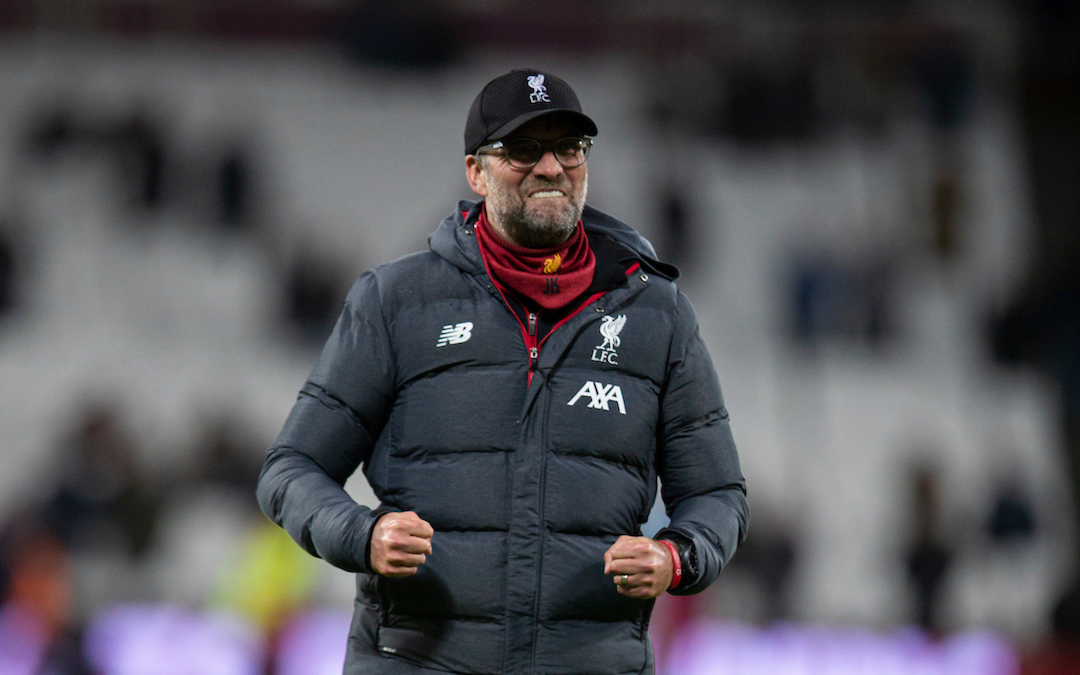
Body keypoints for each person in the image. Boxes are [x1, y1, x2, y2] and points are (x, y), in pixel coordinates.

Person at [257, 68, 749, 675]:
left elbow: (717, 494)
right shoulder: (396, 300)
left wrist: (678, 556)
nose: (550, 168)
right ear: (475, 171)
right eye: (522, 150)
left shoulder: (658, 312)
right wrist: (363, 533)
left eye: (569, 148)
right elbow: (290, 470)